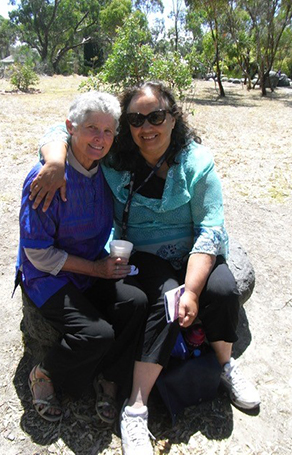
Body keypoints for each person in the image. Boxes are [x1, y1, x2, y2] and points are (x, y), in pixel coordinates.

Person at [30, 81, 260, 454]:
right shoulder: (118, 158)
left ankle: (226, 365)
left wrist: (194, 289)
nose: (146, 127)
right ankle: (135, 408)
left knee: (223, 289)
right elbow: (65, 129)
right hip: (145, 254)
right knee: (168, 300)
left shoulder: (197, 164)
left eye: (156, 116)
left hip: (195, 253)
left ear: (173, 118)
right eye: (136, 119)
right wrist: (55, 161)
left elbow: (210, 231)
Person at [15, 91, 148, 425]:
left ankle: (108, 377)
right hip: (47, 277)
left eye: (107, 131)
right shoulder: (47, 178)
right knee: (96, 334)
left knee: (136, 302)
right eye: (91, 128)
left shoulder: (106, 171)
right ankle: (44, 374)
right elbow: (38, 252)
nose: (100, 139)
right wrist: (95, 269)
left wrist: (98, 268)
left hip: (91, 267)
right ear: (71, 129)